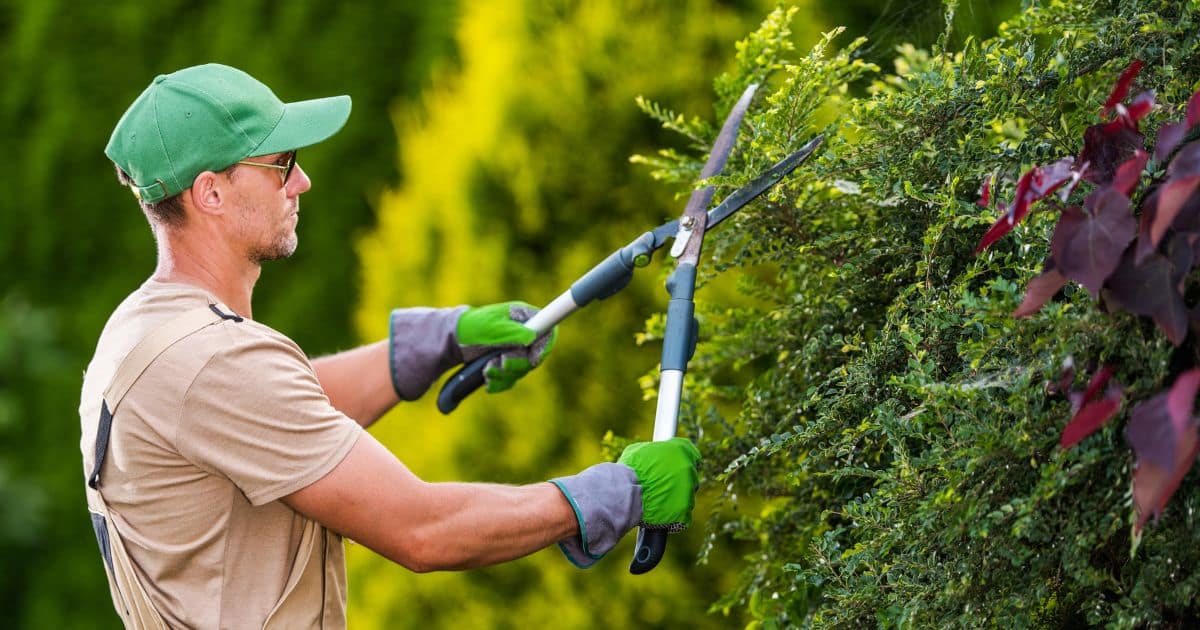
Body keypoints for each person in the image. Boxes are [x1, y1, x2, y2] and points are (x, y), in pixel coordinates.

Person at [80, 63, 701, 629]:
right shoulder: (211, 361)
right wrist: (618, 493)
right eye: (281, 163)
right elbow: (423, 530)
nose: (303, 182)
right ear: (210, 192)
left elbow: (281, 414)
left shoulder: (147, 332)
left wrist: (441, 341)